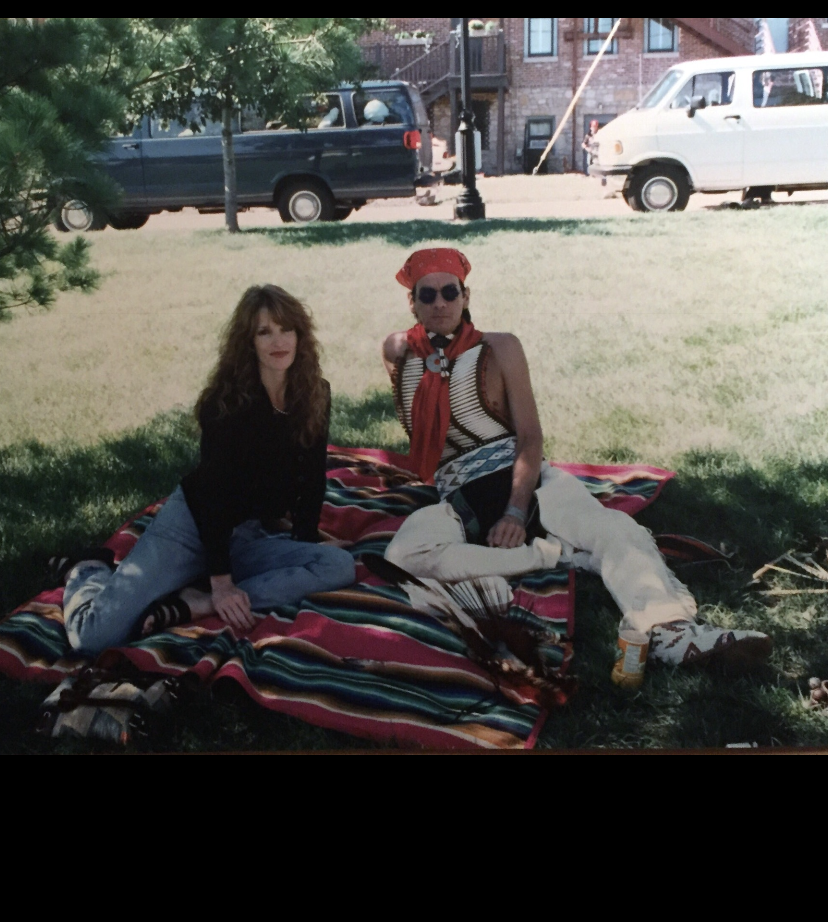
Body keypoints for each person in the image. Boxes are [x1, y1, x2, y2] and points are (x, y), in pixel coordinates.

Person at [380, 247, 772, 670]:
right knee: (403, 555)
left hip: (523, 478)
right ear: (412, 302)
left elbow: (530, 437)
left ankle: (671, 633)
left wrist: (515, 511)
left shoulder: (500, 347)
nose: (439, 303)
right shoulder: (398, 352)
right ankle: (550, 556)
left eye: (449, 292)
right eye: (427, 295)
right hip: (456, 495)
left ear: (465, 296)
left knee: (616, 529)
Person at [60, 286, 356, 657]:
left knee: (338, 565)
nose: (279, 341)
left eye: (287, 329)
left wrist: (306, 539)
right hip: (193, 528)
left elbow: (311, 476)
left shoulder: (314, 393)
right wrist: (221, 582)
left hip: (244, 534)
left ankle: (195, 603)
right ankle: (86, 569)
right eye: (264, 332)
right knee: (92, 638)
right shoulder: (227, 404)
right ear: (248, 342)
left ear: (301, 335)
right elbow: (214, 496)